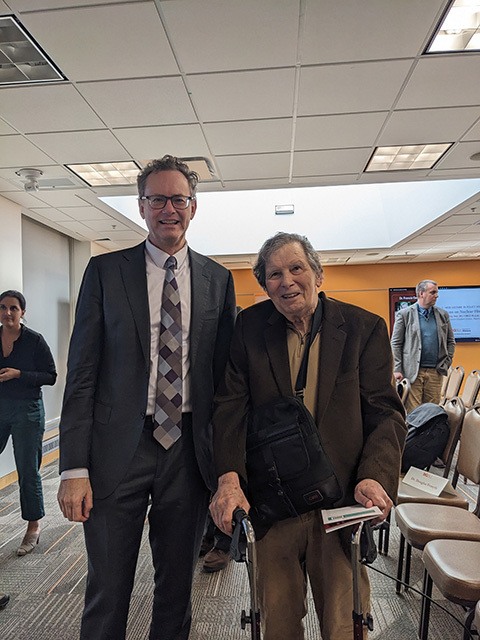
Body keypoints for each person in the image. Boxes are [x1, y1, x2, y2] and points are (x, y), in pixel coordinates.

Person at [57, 156, 236, 640]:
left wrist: (227, 468)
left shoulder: (218, 280)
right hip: (118, 448)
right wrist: (74, 467)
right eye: (157, 199)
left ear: (193, 207)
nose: (168, 208)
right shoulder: (104, 272)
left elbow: (224, 382)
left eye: (178, 198)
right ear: (141, 207)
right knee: (108, 588)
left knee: (177, 588)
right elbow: (82, 375)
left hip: (188, 450)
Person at [209, 232, 406, 640]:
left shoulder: (363, 328)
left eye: (296, 268)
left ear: (318, 274)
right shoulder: (249, 327)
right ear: (264, 286)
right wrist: (228, 478)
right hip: (272, 500)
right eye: (274, 274)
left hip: (339, 501)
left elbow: (386, 414)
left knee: (344, 623)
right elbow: (230, 407)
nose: (287, 281)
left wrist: (375, 476)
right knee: (277, 622)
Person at [0, 290, 57, 557]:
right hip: (1, 408)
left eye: (13, 308)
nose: (7, 313)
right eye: (3, 308)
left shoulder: (34, 340)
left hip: (28, 411)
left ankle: (33, 526)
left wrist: (19, 374)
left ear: (23, 312)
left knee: (27, 470)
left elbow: (51, 376)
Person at [391, 279, 455, 414]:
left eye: (436, 292)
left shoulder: (443, 315)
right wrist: (397, 368)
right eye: (433, 292)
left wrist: (446, 362)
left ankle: (430, 435)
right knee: (413, 412)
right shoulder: (405, 314)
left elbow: (450, 341)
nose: (436, 295)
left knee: (432, 412)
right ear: (421, 293)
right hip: (412, 372)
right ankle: (414, 436)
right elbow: (396, 343)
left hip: (435, 371)